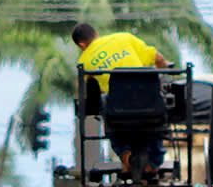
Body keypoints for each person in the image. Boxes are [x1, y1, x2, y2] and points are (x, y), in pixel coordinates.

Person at [71, 22, 170, 176]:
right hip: (148, 104)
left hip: (119, 111)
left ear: (82, 44)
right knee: (158, 127)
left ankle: (125, 154)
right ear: (96, 34)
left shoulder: (84, 61)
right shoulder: (124, 38)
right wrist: (164, 67)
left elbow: (86, 91)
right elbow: (158, 58)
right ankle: (154, 163)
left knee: (108, 117)